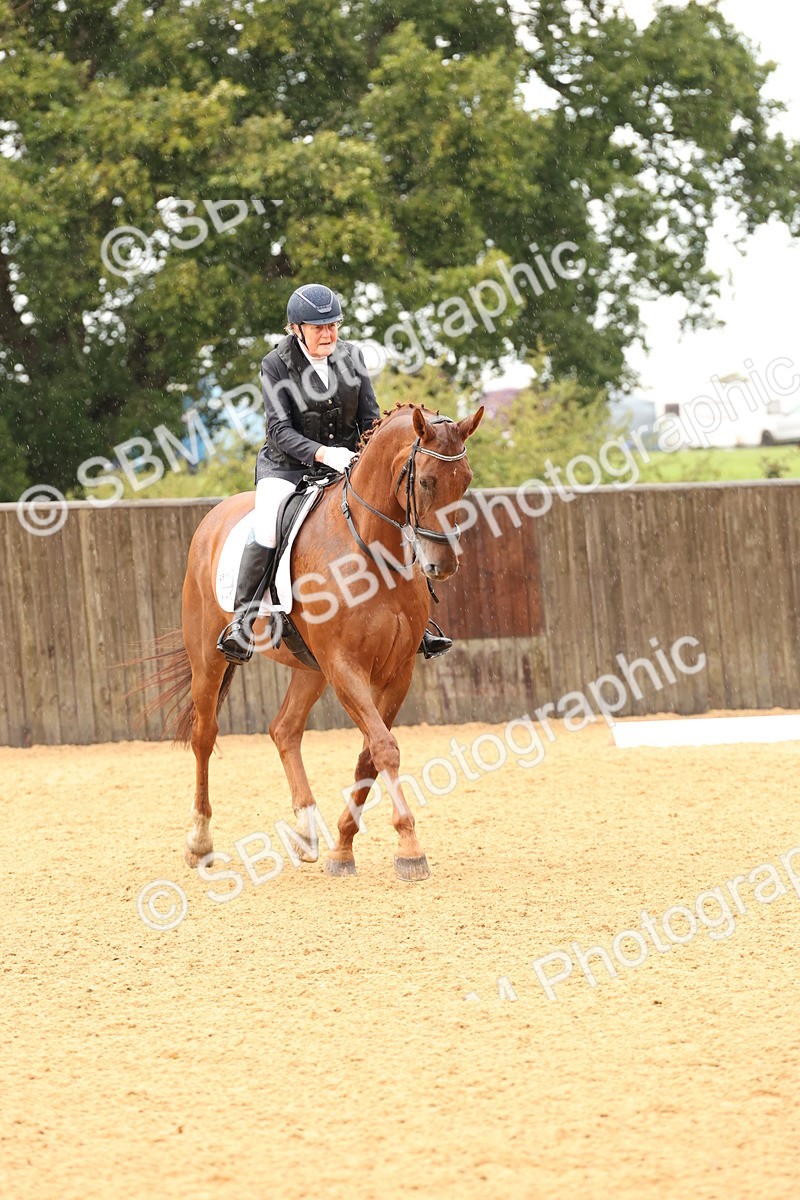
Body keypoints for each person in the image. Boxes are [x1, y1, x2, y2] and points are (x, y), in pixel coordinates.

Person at [217, 283, 453, 664]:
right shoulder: (275, 364)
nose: (327, 334)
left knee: (399, 510)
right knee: (266, 524)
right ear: (296, 328)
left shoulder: (351, 356)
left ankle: (417, 620)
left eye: (333, 326)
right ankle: (244, 621)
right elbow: (279, 430)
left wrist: (363, 458)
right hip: (288, 467)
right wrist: (324, 453)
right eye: (317, 327)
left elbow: (369, 420)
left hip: (347, 463)